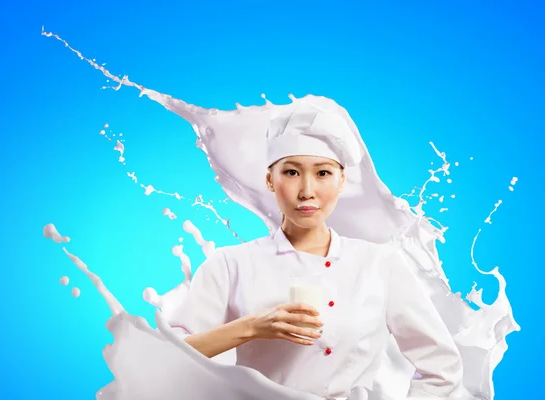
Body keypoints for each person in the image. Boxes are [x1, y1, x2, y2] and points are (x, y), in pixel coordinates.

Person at [165, 103, 463, 400]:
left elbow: (442, 367)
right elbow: (171, 356)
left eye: (322, 173)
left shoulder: (379, 264)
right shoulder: (231, 264)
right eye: (292, 172)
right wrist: (251, 327)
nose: (307, 190)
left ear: (341, 180)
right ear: (270, 180)